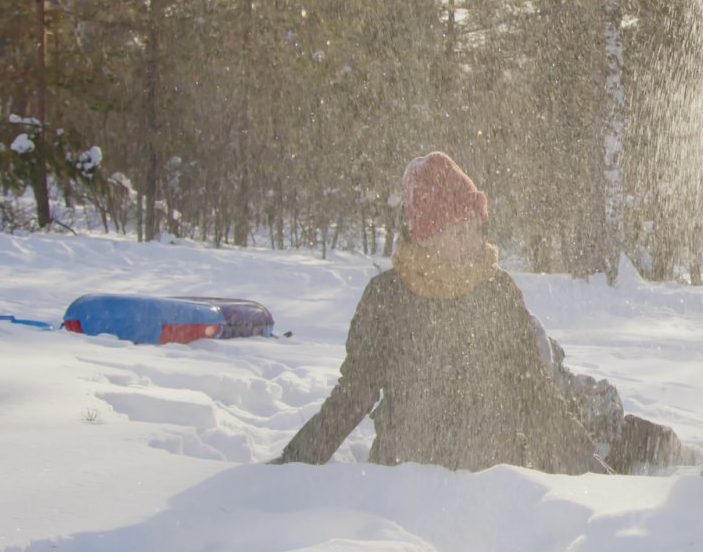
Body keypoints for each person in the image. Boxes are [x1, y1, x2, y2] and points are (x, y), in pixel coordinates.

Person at [274, 151, 680, 474]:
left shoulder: (496, 290)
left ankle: (655, 447)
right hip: (406, 479)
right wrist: (292, 463)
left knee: (583, 409)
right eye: (458, 231)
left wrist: (590, 478)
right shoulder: (387, 298)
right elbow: (351, 396)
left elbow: (535, 397)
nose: (471, 242)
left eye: (475, 228)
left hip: (494, 478)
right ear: (426, 235)